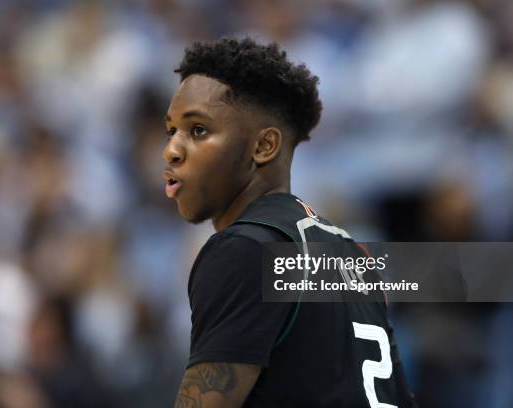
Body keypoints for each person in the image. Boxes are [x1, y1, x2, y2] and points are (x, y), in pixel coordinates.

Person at [163, 37, 416, 408]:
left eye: (198, 130)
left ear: (264, 147)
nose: (172, 149)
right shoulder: (352, 256)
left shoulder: (244, 251)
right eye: (171, 130)